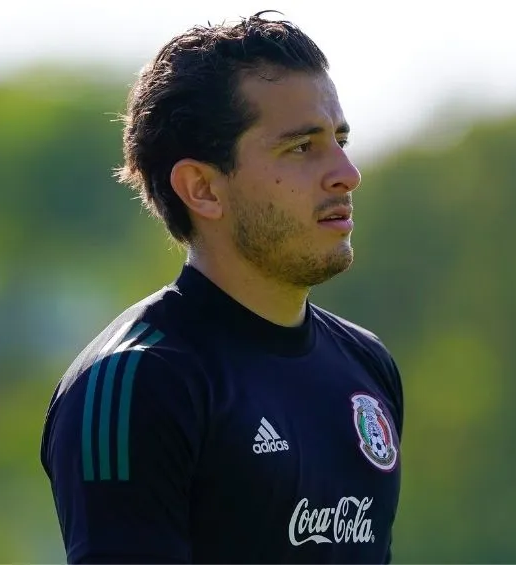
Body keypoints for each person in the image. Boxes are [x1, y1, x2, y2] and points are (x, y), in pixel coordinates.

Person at [40, 10, 404, 564]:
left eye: (340, 139)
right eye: (302, 148)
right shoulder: (137, 381)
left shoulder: (367, 365)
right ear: (203, 188)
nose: (347, 173)